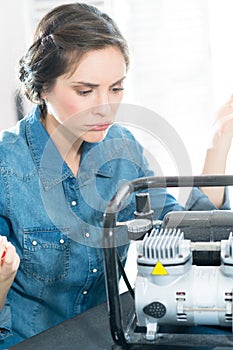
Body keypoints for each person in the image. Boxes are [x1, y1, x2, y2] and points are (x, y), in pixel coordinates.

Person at [0, 2, 232, 348]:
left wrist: (220, 138)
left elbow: (183, 222)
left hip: (105, 335)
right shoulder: (7, 167)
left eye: (116, 88)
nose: (105, 107)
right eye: (85, 91)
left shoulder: (121, 148)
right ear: (43, 88)